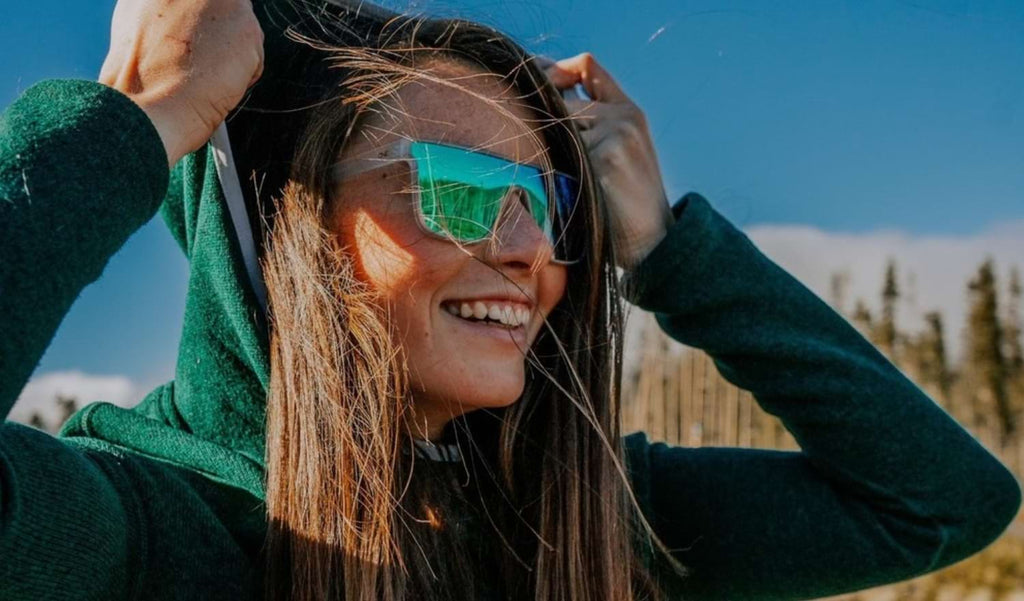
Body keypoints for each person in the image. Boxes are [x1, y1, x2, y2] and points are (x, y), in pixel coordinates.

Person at [0, 0, 1020, 599]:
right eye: (462, 189)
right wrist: (136, 116)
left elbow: (941, 501)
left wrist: (667, 251)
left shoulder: (580, 513)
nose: (531, 251)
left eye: (550, 201)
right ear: (286, 234)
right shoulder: (142, 527)